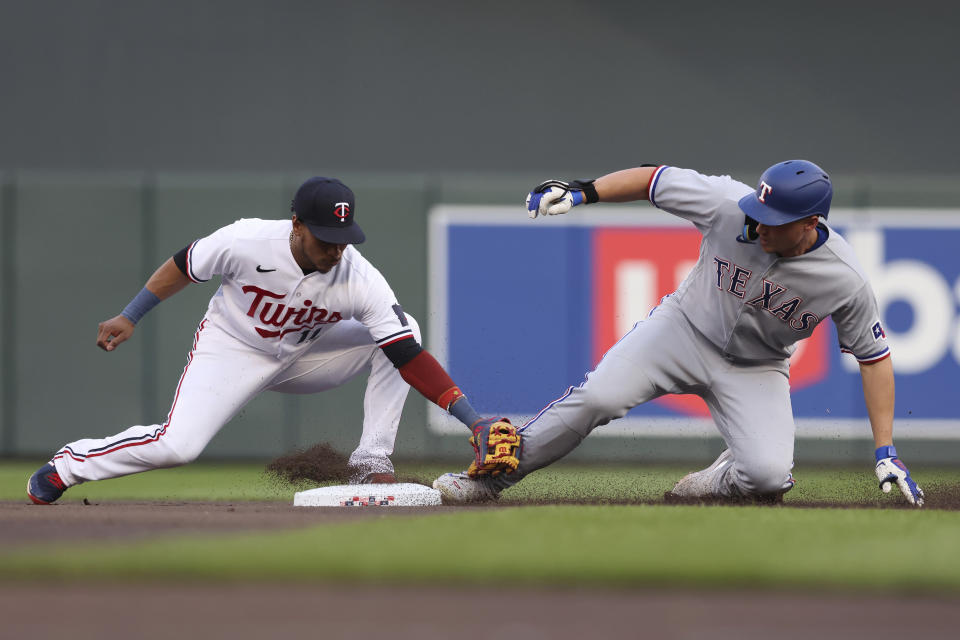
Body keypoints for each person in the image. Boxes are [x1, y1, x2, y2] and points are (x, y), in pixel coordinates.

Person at [432, 160, 925, 507]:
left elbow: (874, 357)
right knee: (598, 398)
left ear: (811, 223)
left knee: (768, 477)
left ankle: (716, 481)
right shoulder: (730, 204)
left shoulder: (844, 276)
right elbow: (655, 179)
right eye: (759, 209)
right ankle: (491, 480)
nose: (759, 224)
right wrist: (584, 191)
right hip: (681, 330)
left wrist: (885, 450)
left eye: (775, 221)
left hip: (757, 368)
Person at [27, 177, 510, 504]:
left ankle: (370, 458)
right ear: (296, 224)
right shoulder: (246, 240)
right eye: (325, 237)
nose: (335, 249)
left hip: (308, 355)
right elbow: (183, 266)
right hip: (232, 350)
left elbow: (407, 357)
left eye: (343, 237)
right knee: (178, 446)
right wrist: (131, 315)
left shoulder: (359, 277)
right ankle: (68, 466)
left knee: (404, 332)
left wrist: (472, 419)